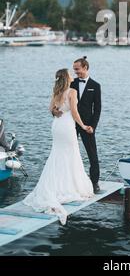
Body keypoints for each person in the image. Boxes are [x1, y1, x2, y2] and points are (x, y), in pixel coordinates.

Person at [23, 69, 94, 225]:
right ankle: (68, 186)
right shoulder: (72, 92)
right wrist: (83, 126)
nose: (72, 75)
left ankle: (57, 185)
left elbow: (52, 110)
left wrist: (56, 111)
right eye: (70, 74)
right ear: (67, 78)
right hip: (67, 125)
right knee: (71, 154)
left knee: (57, 154)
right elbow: (74, 112)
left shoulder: (57, 91)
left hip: (57, 126)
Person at [52, 56, 102, 194]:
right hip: (69, 125)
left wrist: (93, 126)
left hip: (87, 125)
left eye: (77, 69)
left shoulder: (96, 86)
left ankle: (95, 183)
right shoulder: (71, 83)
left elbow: (97, 109)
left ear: (85, 67)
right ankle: (66, 183)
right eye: (74, 70)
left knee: (92, 155)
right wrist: (54, 111)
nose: (75, 72)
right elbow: (59, 101)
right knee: (68, 153)